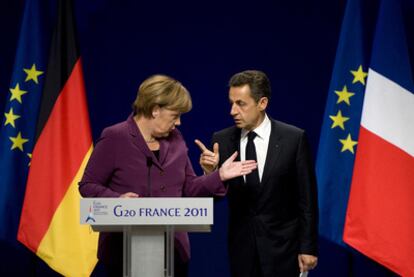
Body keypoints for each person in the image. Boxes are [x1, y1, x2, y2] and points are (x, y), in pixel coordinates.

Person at [79, 74, 257, 277]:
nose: (179, 122)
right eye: (175, 115)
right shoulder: (115, 137)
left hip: (173, 253)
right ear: (155, 110)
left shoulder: (176, 140)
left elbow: (189, 188)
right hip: (122, 254)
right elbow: (87, 185)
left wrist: (219, 175)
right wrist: (117, 200)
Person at [196, 70, 318, 277]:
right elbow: (209, 202)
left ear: (262, 103)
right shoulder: (222, 140)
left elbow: (307, 200)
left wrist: (308, 247)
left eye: (241, 104)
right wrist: (212, 174)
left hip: (285, 249)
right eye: (231, 103)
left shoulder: (293, 139)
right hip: (242, 250)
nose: (232, 111)